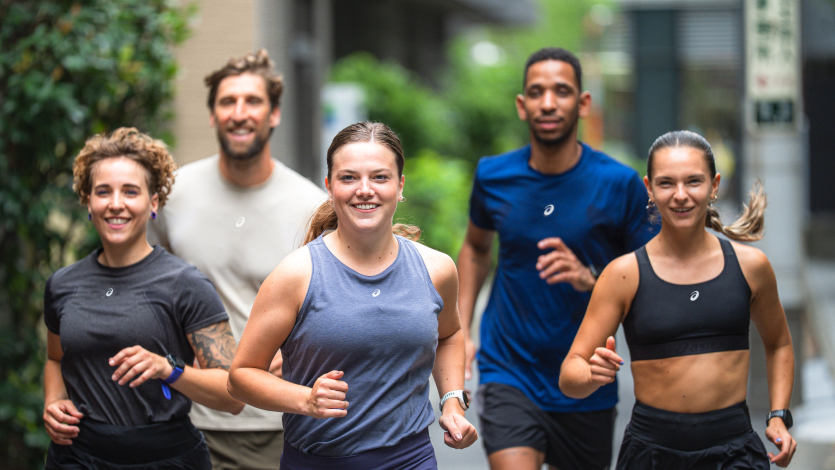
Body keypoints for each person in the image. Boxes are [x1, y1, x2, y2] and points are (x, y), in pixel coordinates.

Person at [227, 121, 478, 469]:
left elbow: (449, 334)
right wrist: (305, 399)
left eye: (380, 177)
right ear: (329, 187)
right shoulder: (296, 274)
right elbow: (241, 377)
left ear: (400, 186)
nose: (364, 190)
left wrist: (452, 401)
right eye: (348, 178)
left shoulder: (436, 269)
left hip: (411, 459)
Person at [457, 47, 657, 470]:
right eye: (537, 91)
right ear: (522, 104)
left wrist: (593, 279)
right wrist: (462, 330)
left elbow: (653, 274)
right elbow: (476, 247)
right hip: (508, 366)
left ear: (583, 103)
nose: (548, 102)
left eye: (562, 91)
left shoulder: (618, 183)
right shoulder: (494, 175)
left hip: (586, 374)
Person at [559, 130, 797, 469]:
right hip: (651, 453)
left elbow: (779, 345)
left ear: (714, 186)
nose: (681, 195)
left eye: (694, 182)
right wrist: (591, 374)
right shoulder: (623, 274)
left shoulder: (751, 266)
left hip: (734, 451)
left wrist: (778, 415)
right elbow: (570, 375)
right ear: (649, 189)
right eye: (667, 183)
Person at [147, 49, 325, 469]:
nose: (239, 113)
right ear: (212, 115)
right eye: (227, 102)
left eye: (253, 101)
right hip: (187, 417)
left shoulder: (312, 206)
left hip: (281, 422)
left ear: (275, 113)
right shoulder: (173, 196)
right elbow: (146, 283)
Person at [43, 127, 243, 469]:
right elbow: (56, 358)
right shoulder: (63, 284)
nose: (115, 204)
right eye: (103, 192)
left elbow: (232, 393)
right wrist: (53, 400)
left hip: (164, 457)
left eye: (130, 192)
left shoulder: (185, 284)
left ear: (153, 203)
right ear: (87, 202)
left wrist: (168, 369)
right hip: (78, 456)